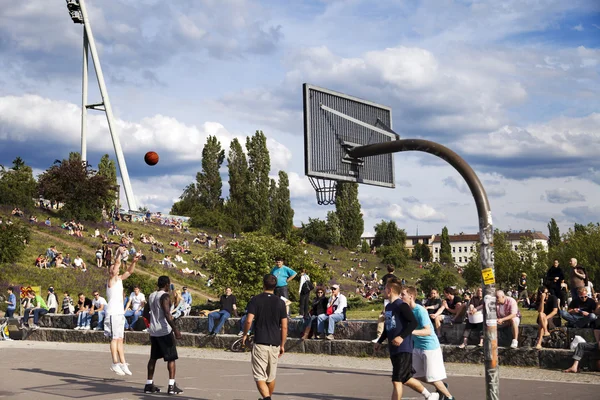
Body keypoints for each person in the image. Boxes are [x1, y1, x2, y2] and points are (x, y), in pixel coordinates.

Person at [374, 279, 439, 400]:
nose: (383, 291)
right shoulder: (388, 306)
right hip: (393, 348)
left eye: (384, 288)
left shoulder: (401, 305)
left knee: (396, 380)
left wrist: (401, 337)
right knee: (406, 378)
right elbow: (388, 327)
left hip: (403, 348)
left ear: (390, 290)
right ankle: (429, 395)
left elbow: (413, 323)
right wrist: (379, 341)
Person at [402, 286, 454, 400]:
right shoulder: (407, 311)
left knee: (432, 378)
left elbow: (428, 331)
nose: (401, 297)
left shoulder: (419, 310)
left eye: (403, 295)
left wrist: (410, 332)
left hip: (429, 347)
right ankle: (441, 386)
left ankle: (449, 397)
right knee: (416, 376)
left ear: (411, 296)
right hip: (417, 347)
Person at [242, 274, 288, 400]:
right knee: (271, 376)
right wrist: (282, 344)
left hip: (261, 341)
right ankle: (267, 397)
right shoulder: (280, 303)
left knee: (260, 376)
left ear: (263, 284)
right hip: (274, 342)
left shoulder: (255, 300)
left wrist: (245, 334)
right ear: (275, 286)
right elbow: (284, 326)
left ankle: (267, 399)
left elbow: (248, 320)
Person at [143, 275, 183, 395]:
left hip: (154, 331)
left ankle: (149, 384)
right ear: (167, 285)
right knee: (171, 358)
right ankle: (171, 386)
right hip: (164, 330)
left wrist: (152, 323)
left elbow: (145, 312)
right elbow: (166, 313)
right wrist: (175, 329)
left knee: (153, 358)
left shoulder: (151, 295)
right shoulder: (164, 296)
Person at [104, 247, 140, 376]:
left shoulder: (119, 279)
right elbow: (118, 263)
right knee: (114, 338)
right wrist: (118, 252)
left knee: (120, 339)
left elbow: (129, 272)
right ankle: (114, 363)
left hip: (119, 313)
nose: (116, 269)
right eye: (113, 268)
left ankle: (123, 363)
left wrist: (134, 261)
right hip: (112, 313)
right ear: (111, 271)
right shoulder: (111, 281)